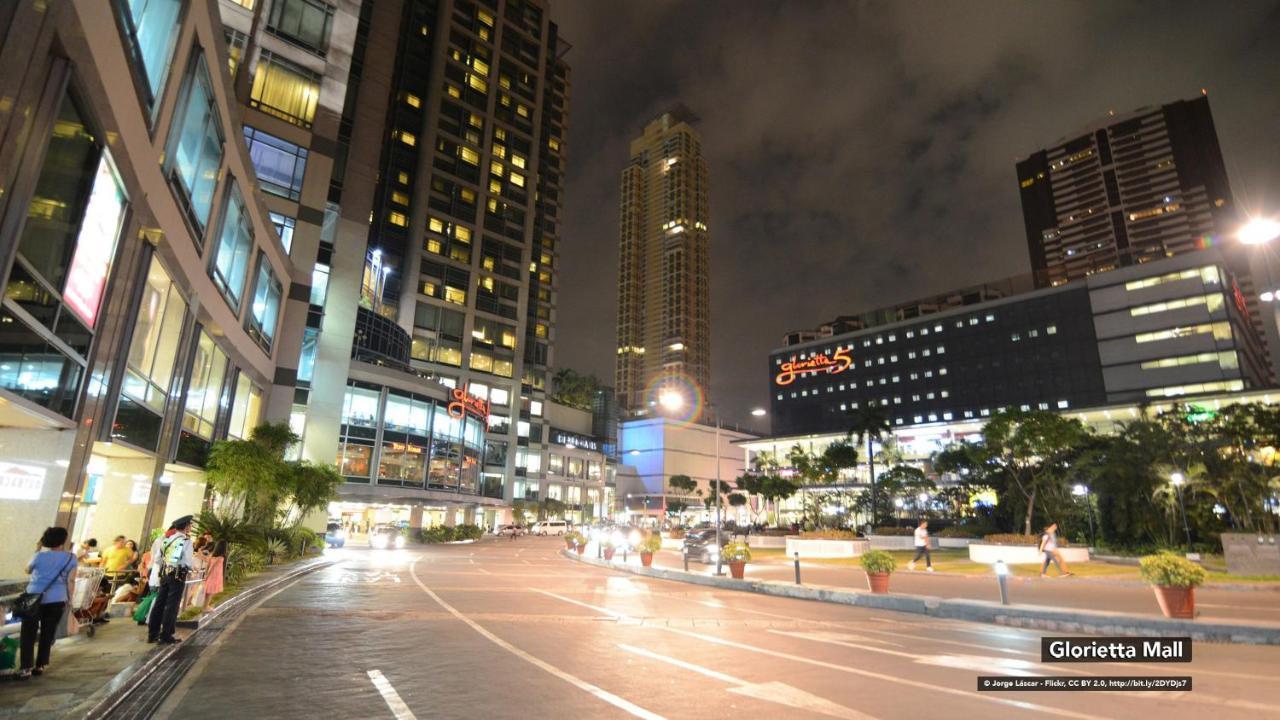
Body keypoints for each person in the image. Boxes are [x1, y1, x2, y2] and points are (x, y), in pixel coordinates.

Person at [17, 527, 77, 680]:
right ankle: (40, 665)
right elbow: (71, 581)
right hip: (57, 599)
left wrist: (36, 550)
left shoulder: (39, 556)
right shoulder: (71, 558)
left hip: (33, 598)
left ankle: (25, 668)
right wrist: (70, 599)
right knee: (47, 632)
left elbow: (27, 570)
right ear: (63, 540)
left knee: (28, 633)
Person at [148, 515, 195, 645]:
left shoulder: (167, 540)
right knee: (172, 605)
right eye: (190, 525)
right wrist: (188, 567)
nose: (190, 527)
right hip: (178, 575)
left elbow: (158, 559)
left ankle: (153, 634)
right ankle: (166, 635)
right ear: (186, 527)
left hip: (164, 574)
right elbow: (187, 561)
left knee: (160, 603)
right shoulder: (186, 541)